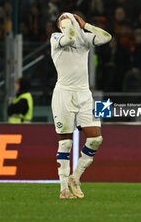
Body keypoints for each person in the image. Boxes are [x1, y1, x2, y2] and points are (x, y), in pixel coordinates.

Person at [50, 12, 111, 199]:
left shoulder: (84, 38)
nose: (63, 23)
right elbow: (68, 38)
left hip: (85, 94)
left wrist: (86, 25)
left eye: (66, 20)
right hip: (64, 94)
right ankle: (63, 189)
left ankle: (75, 178)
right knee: (66, 142)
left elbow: (106, 37)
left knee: (95, 139)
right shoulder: (56, 38)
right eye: (61, 21)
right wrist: (67, 22)